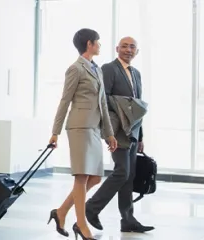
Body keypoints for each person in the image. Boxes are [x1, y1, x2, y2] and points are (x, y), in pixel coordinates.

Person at [48, 28, 117, 240]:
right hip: (78, 127)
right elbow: (64, 101)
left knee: (95, 177)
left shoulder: (97, 70)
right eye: (98, 41)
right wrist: (55, 132)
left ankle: (61, 212)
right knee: (82, 176)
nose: (100, 45)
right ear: (89, 44)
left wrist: (109, 134)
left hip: (94, 129)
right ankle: (81, 224)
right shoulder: (75, 69)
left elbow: (103, 103)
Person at [84, 36, 154, 233]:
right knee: (122, 171)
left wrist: (141, 137)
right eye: (124, 46)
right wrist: (108, 130)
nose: (128, 50)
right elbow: (103, 99)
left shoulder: (136, 74)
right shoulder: (109, 68)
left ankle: (128, 219)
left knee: (129, 174)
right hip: (116, 129)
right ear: (117, 49)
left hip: (133, 131)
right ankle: (92, 207)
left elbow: (138, 107)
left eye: (132, 47)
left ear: (137, 51)